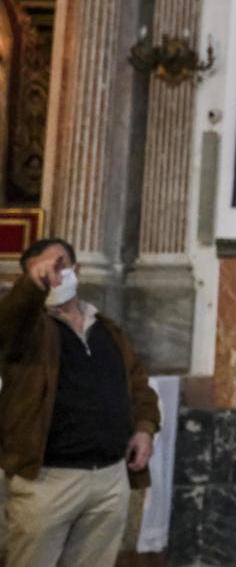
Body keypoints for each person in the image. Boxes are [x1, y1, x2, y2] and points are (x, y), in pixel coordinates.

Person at [0, 238, 160, 567]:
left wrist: (144, 429)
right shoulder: (28, 330)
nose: (55, 276)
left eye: (61, 266)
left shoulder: (106, 329)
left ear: (78, 270)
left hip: (109, 478)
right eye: (44, 271)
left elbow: (139, 385)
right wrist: (31, 287)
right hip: (47, 481)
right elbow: (7, 326)